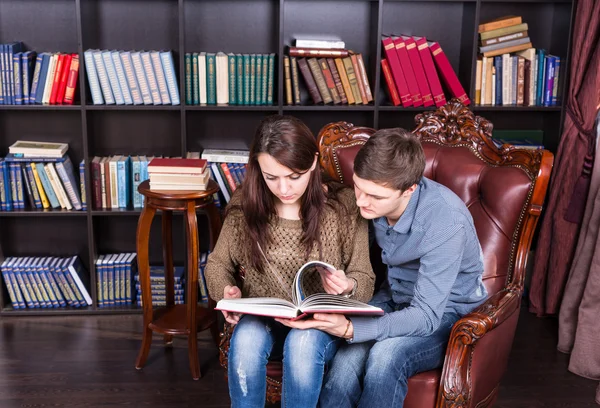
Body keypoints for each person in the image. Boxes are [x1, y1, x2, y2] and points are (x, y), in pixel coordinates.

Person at [277, 128, 488, 407]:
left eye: (374, 196)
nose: (362, 202)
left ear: (409, 189)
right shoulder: (370, 200)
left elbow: (425, 316)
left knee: (385, 357)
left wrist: (351, 329)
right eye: (358, 188)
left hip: (445, 313)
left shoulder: (445, 220)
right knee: (345, 366)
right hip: (392, 299)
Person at [204, 115, 375, 408]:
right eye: (271, 177)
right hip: (263, 319)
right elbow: (217, 265)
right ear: (258, 169)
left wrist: (348, 286)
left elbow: (365, 277)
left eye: (294, 176)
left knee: (302, 344)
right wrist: (225, 293)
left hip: (319, 326)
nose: (284, 189)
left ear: (313, 164)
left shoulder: (344, 205)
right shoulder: (246, 203)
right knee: (245, 342)